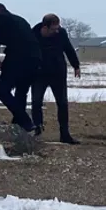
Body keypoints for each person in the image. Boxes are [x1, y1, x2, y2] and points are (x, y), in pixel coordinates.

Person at [0, 2, 40, 132]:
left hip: (18, 59)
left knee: (1, 91)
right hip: (35, 60)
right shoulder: (20, 20)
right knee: (21, 92)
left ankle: (26, 122)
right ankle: (19, 126)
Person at [30, 13, 81, 144]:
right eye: (53, 29)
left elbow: (68, 49)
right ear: (45, 27)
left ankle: (65, 135)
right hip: (39, 74)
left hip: (58, 72)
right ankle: (37, 131)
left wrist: (76, 65)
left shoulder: (61, 33)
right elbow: (26, 52)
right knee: (36, 102)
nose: (56, 31)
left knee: (62, 103)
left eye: (57, 28)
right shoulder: (33, 34)